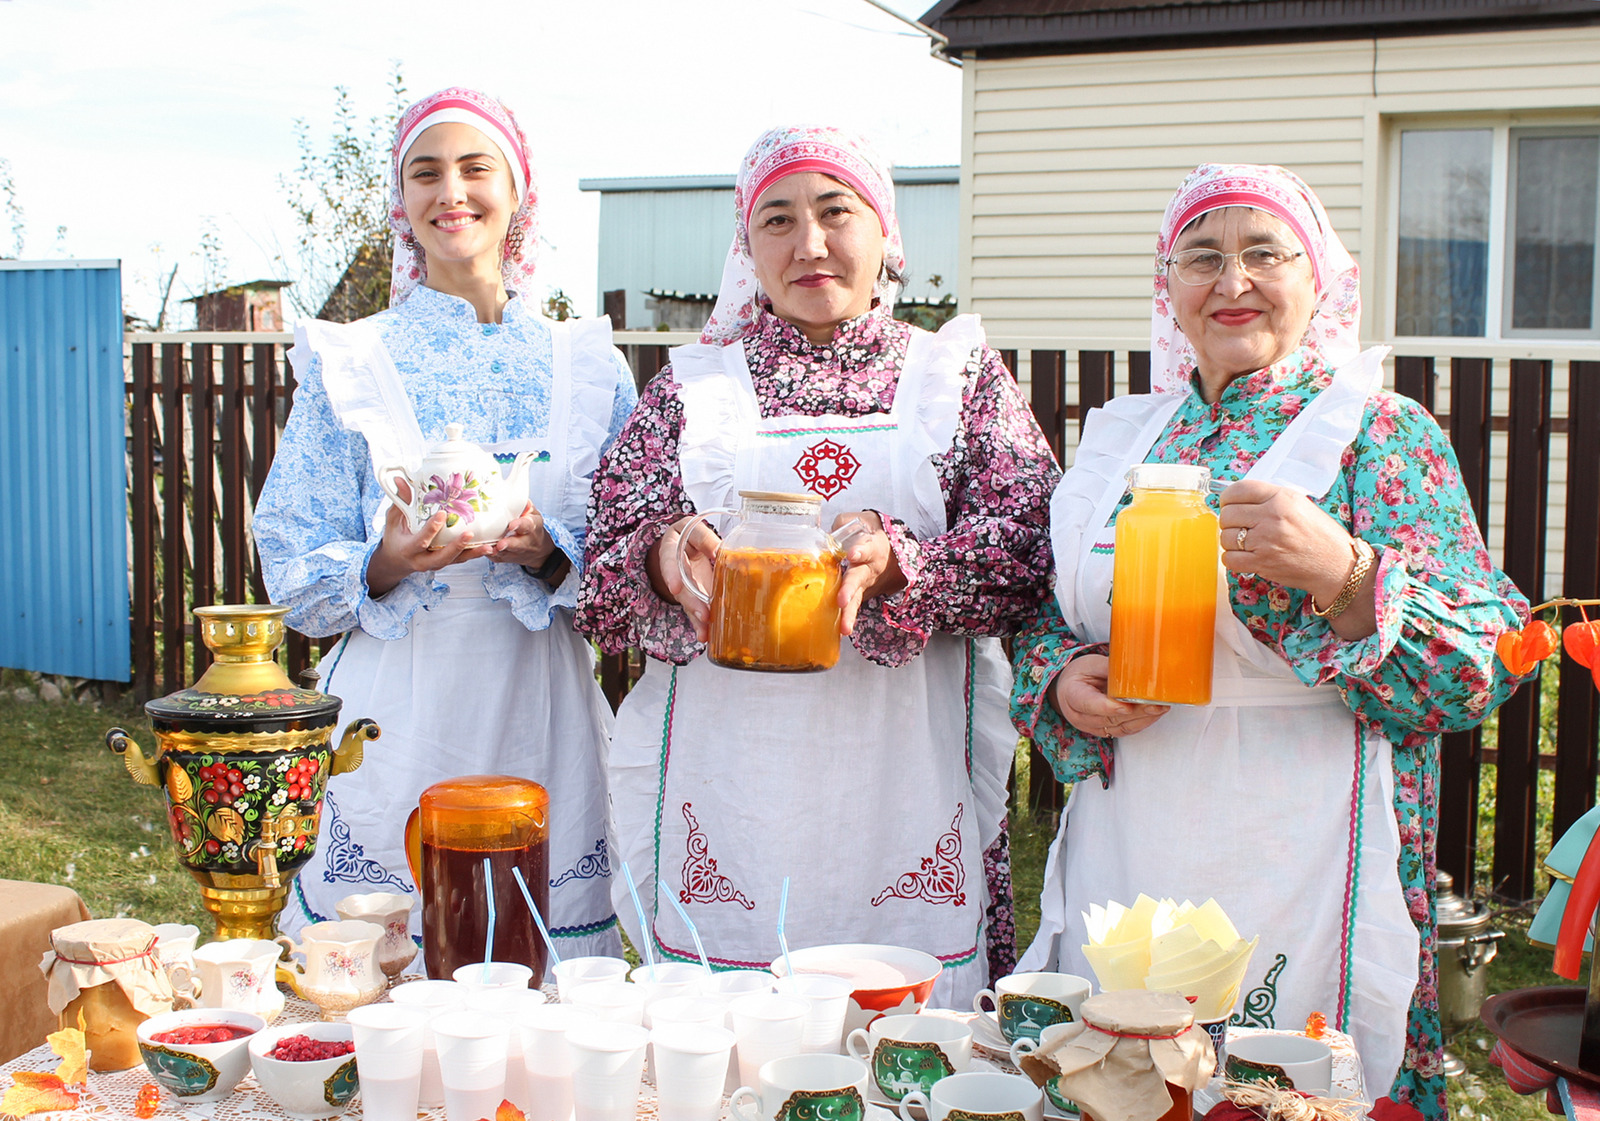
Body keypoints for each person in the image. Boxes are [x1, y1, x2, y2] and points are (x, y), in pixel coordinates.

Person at [1010, 163, 1530, 1118]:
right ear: (1169, 286)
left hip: (1302, 837)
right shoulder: (1124, 438)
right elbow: (1048, 612)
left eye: (1264, 253)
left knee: (1284, 1086)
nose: (1233, 280)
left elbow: (1478, 666)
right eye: (1202, 257)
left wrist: (1345, 571)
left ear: (1317, 277)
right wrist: (1065, 676)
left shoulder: (1375, 432)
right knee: (1127, 1075)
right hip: (1133, 836)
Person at [575, 125, 1059, 1005]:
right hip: (733, 793)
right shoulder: (692, 388)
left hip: (906, 784)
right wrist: (661, 558)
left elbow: (1030, 552)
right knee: (732, 1048)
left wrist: (903, 563)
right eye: (777, 219)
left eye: (836, 212)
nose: (809, 243)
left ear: (885, 231)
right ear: (746, 245)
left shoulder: (955, 378)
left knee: (903, 1042)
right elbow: (600, 587)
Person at [254, 86, 635, 961]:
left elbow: (632, 558)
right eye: (425, 173)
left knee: (538, 981)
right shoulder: (354, 360)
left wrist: (550, 555)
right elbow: (291, 563)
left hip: (541, 706)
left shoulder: (585, 364)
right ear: (402, 201)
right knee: (380, 973)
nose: (450, 191)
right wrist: (385, 561)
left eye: (475, 168)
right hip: (398, 710)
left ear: (518, 192)